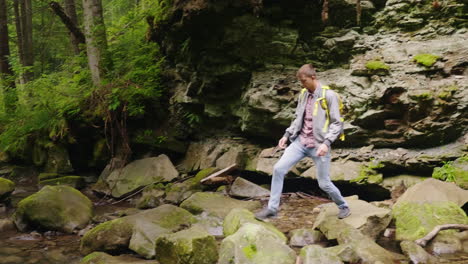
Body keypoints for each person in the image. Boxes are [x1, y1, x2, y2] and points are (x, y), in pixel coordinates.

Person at [255, 64, 351, 220]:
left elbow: (337, 123)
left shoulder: (329, 96)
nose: (302, 84)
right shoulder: (303, 94)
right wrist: (286, 135)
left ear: (313, 77)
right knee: (278, 169)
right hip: (300, 142)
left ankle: (343, 206)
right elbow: (298, 117)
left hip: (319, 145)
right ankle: (272, 209)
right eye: (300, 81)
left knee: (324, 183)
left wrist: (327, 144)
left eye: (304, 81)